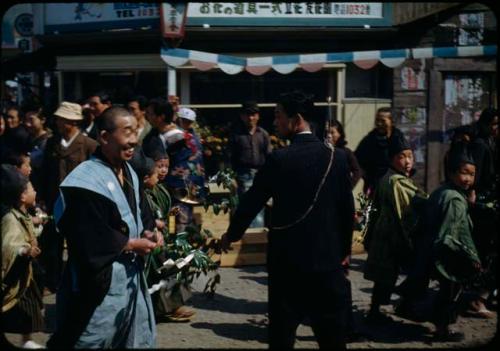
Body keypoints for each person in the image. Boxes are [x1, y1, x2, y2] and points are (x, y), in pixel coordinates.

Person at [220, 91, 355, 349]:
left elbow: (251, 202)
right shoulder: (336, 158)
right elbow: (346, 211)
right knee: (332, 337)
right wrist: (344, 251)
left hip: (288, 264)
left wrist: (232, 235)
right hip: (327, 262)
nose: (275, 122)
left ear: (297, 119)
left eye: (279, 116)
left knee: (283, 335)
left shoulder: (279, 159)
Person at [47, 106, 161, 348]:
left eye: (136, 131)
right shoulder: (85, 180)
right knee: (89, 339)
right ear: (105, 137)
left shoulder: (129, 171)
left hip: (130, 278)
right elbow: (84, 233)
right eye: (127, 131)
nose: (133, 140)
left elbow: (142, 213)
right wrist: (129, 243)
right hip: (99, 283)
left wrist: (150, 232)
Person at [363, 135, 428, 323]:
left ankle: (377, 310)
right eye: (402, 156)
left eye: (410, 156)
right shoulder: (395, 181)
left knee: (385, 275)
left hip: (386, 235)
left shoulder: (389, 177)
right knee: (402, 272)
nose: (407, 161)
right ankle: (402, 306)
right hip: (393, 236)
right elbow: (414, 202)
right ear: (391, 159)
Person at [38, 101, 98, 293]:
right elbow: (45, 172)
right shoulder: (52, 143)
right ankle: (52, 281)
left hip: (78, 203)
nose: (57, 122)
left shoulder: (88, 145)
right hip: (54, 200)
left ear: (72, 122)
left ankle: (77, 281)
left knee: (78, 244)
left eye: (61, 119)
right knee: (52, 245)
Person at [428, 145, 482, 341]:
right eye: (463, 173)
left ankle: (440, 326)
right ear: (451, 172)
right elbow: (449, 235)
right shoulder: (455, 200)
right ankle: (442, 331)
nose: (468, 178)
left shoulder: (445, 191)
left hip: (439, 251)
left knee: (447, 292)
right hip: (449, 255)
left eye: (472, 174)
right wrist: (469, 255)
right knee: (450, 293)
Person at [1, 164, 44, 349]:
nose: (34, 191)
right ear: (22, 196)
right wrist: (24, 250)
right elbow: (9, 243)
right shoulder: (10, 219)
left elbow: (30, 231)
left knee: (28, 308)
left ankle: (26, 339)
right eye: (31, 188)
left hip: (27, 273)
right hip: (16, 274)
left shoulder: (23, 214)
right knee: (16, 307)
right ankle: (25, 340)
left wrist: (40, 225)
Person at [466, 108, 498, 318]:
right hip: (483, 205)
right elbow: (474, 176)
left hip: (489, 201)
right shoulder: (480, 144)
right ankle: (476, 299)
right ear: (487, 124)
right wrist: (472, 194)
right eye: (495, 124)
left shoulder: (490, 142)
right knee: (485, 251)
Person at [229, 101, 272, 228]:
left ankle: (256, 241)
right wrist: (231, 177)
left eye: (253, 115)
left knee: (258, 207)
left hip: (260, 175)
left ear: (258, 116)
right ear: (242, 116)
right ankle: (244, 238)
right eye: (247, 115)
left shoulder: (263, 134)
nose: (250, 118)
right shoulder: (236, 135)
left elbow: (269, 156)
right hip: (242, 175)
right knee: (243, 208)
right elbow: (229, 157)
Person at [354, 107, 405, 195]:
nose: (379, 123)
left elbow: (406, 162)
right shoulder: (369, 140)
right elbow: (356, 160)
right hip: (374, 187)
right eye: (377, 120)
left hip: (394, 186)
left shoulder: (398, 139)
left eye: (383, 121)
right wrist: (366, 176)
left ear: (391, 121)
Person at [327, 119, 361, 188]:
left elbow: (357, 171)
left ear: (340, 134)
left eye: (332, 132)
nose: (329, 136)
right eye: (327, 132)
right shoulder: (322, 151)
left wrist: (348, 187)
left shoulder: (346, 152)